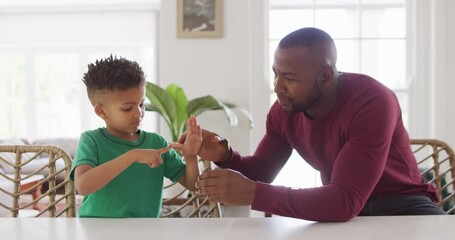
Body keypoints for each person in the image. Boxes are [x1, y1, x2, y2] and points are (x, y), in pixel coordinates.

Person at [182, 27, 447, 221]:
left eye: (289, 78)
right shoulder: (284, 111)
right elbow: (263, 172)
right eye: (275, 74)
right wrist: (226, 156)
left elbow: (344, 201)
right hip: (344, 216)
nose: (277, 88)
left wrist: (253, 193)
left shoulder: (374, 101)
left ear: (325, 76)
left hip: (405, 208)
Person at [70, 55, 202, 218]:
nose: (138, 113)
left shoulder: (156, 142)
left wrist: (190, 157)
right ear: (101, 111)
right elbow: (83, 186)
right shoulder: (91, 141)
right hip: (97, 230)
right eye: (127, 108)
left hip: (145, 231)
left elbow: (193, 185)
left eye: (141, 104)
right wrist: (132, 156)